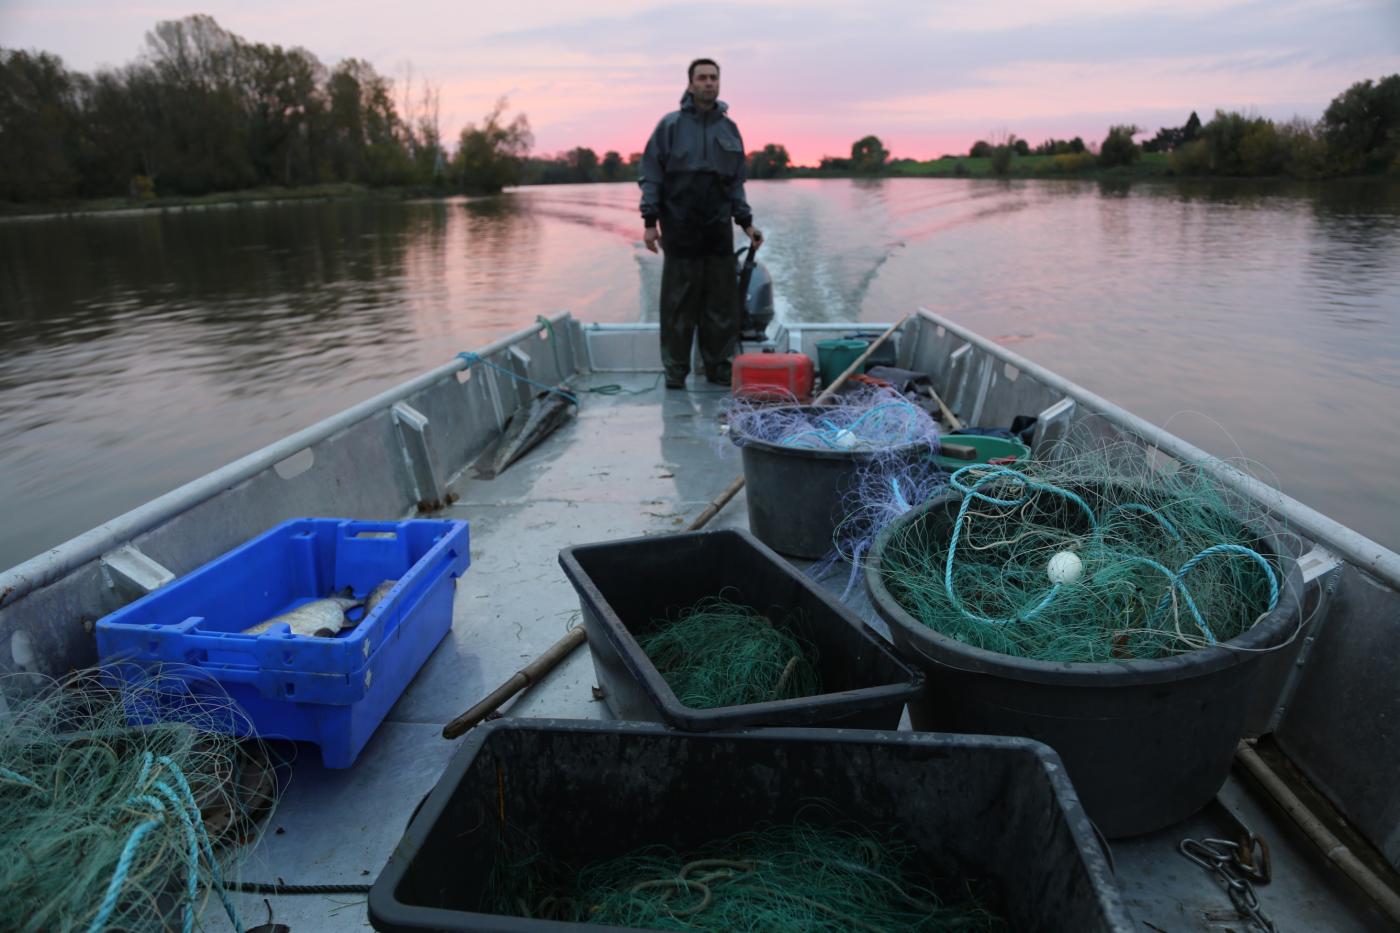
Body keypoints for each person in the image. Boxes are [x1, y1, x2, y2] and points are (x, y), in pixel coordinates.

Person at [639, 58, 763, 389]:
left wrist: (746, 223)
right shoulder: (670, 126)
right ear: (691, 84)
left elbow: (736, 183)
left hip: (717, 231)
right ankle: (675, 371)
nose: (708, 83)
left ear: (719, 83)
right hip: (679, 230)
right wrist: (650, 222)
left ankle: (719, 369)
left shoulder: (730, 129)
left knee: (720, 307)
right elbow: (651, 175)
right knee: (678, 307)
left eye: (713, 78)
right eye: (702, 78)